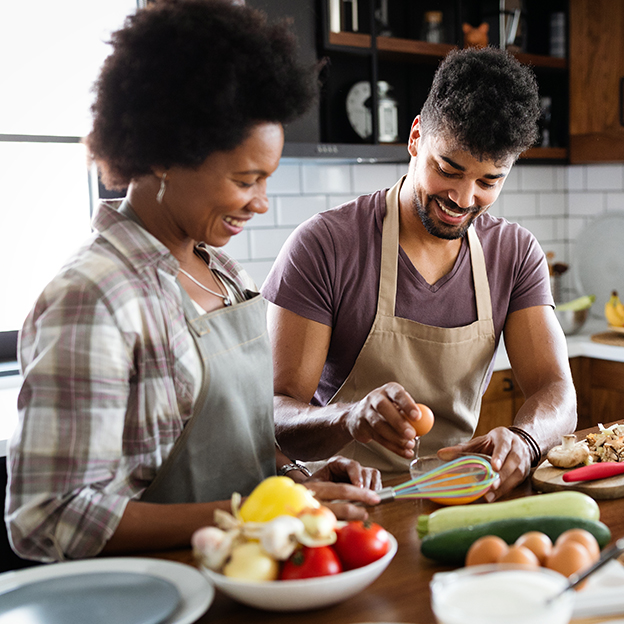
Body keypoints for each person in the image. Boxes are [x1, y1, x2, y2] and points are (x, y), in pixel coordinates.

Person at [5, 0, 381, 564]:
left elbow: (239, 447)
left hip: (246, 580)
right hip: (156, 595)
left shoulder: (225, 275)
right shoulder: (95, 297)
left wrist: (294, 478)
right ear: (164, 155)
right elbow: (50, 516)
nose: (261, 203)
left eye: (266, 179)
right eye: (246, 179)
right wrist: (265, 511)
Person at [262, 46, 577, 501]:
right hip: (348, 505)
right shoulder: (326, 245)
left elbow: (556, 390)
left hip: (458, 498)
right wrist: (349, 418)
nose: (464, 199)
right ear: (415, 139)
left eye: (489, 182)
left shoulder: (514, 253)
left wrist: (527, 441)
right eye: (448, 169)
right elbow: (273, 416)